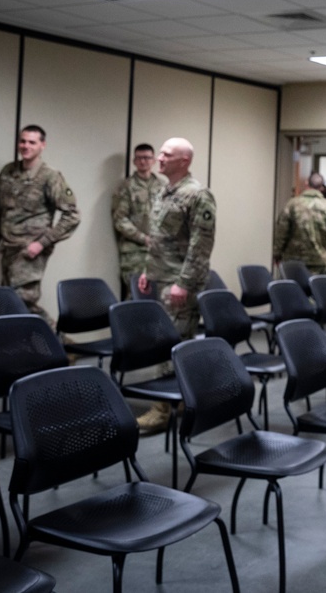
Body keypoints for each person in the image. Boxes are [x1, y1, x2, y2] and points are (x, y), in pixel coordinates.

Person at [135, 137, 216, 433]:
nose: (159, 158)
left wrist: (183, 283)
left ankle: (163, 408)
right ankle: (182, 398)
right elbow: (158, 238)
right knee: (171, 341)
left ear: (184, 161)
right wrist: (147, 269)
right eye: (161, 152)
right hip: (162, 277)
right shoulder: (164, 191)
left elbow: (200, 245)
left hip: (180, 284)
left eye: (167, 154)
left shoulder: (197, 195)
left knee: (172, 343)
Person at [0, 125, 80, 325]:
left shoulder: (50, 176)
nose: (26, 146)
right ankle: (33, 349)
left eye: (32, 142)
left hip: (30, 250)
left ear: (42, 145)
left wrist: (42, 243)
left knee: (22, 300)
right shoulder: (8, 172)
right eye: (23, 141)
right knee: (10, 300)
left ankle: (57, 344)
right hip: (9, 249)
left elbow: (72, 215)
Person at [111, 143, 166, 299]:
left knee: (159, 295)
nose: (143, 161)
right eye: (139, 158)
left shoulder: (163, 186)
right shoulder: (126, 187)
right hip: (134, 252)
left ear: (154, 160)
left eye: (147, 158)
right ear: (134, 161)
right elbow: (120, 220)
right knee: (136, 294)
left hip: (159, 251)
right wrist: (144, 239)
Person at [273, 172, 326, 280]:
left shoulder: (292, 205)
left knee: (294, 294)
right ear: (322, 187)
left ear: (306, 183)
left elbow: (281, 232)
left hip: (294, 263)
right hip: (321, 263)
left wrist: (277, 254)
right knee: (318, 293)